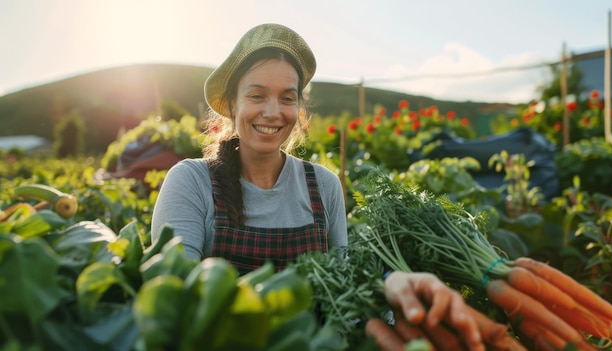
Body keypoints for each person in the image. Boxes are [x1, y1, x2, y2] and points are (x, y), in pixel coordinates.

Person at [151, 23, 484, 350]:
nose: (272, 112)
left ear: (299, 108)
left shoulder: (322, 185)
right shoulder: (192, 182)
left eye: (286, 98)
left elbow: (346, 281)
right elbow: (175, 295)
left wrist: (388, 283)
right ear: (233, 104)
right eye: (257, 95)